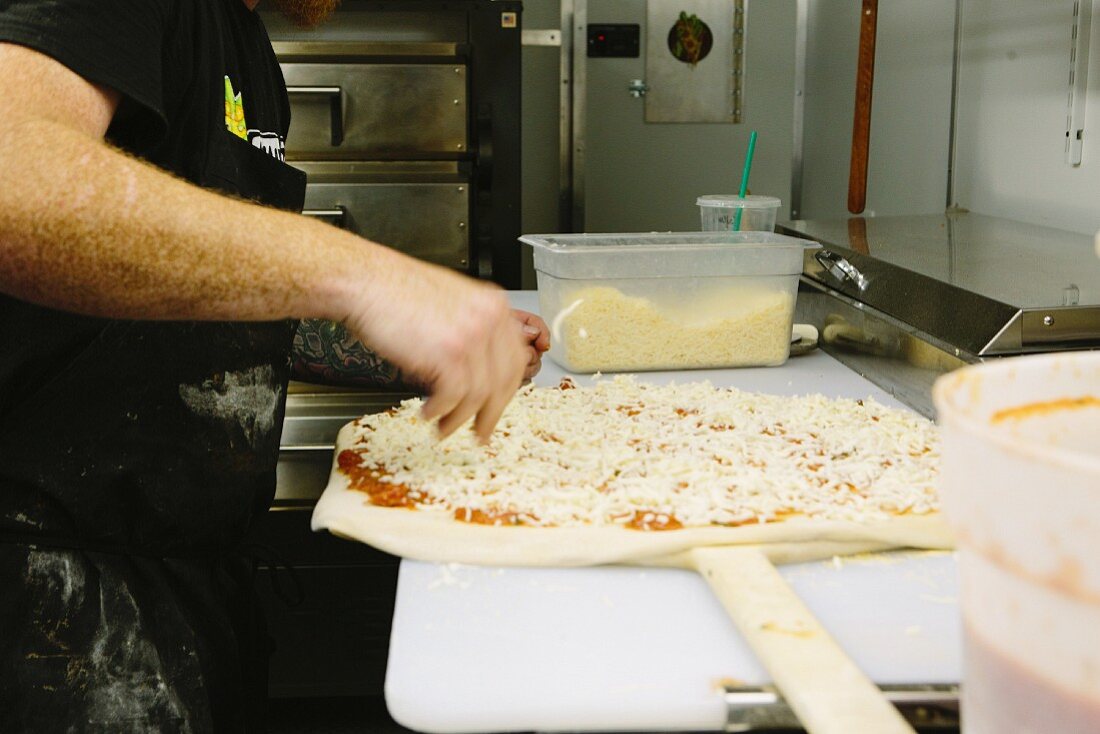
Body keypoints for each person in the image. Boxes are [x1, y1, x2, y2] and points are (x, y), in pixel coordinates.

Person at [0, 0, 549, 730]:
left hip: (185, 583)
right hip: (47, 604)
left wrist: (417, 339)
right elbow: (15, 179)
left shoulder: (242, 35)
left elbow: (219, 297)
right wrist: (368, 277)